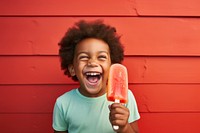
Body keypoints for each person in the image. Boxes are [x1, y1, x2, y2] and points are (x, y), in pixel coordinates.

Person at [53, 20, 140, 133]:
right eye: (84, 57)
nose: (92, 62)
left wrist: (124, 127)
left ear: (111, 68)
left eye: (102, 57)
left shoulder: (127, 97)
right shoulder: (63, 103)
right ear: (73, 69)